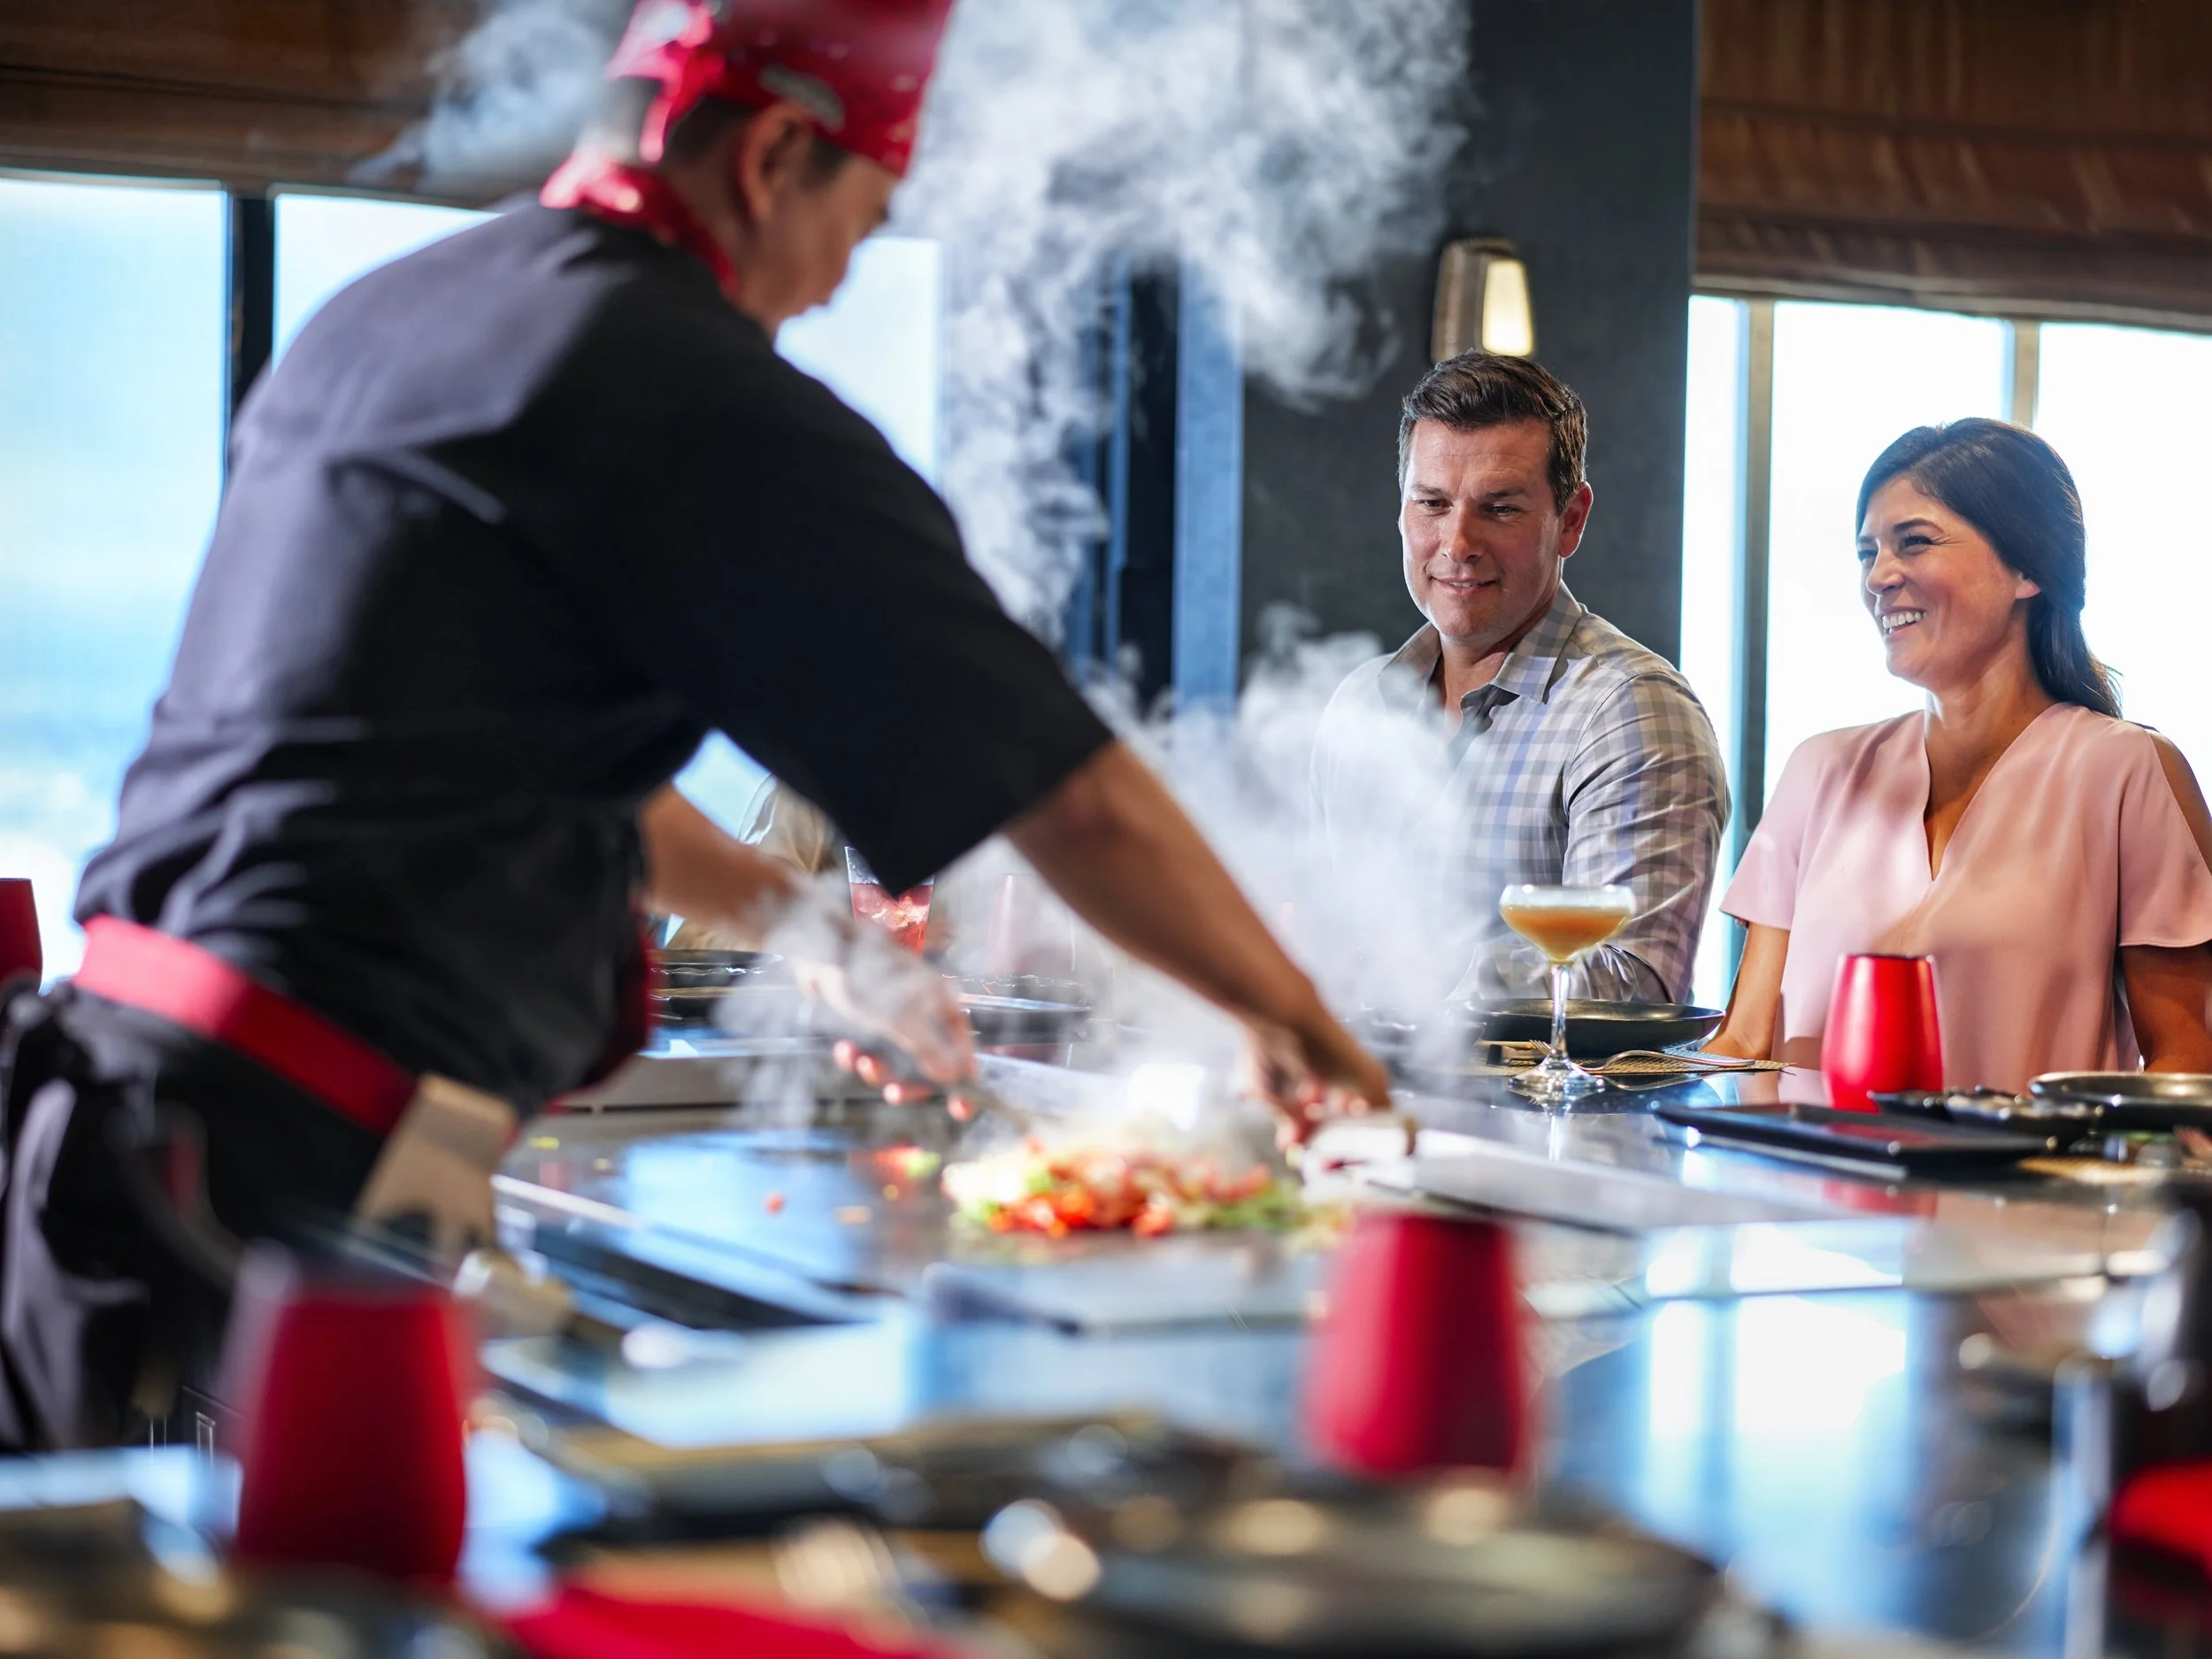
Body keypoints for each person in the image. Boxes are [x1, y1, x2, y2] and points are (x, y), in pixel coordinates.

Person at [0, 0, 1386, 1449]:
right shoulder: (681, 383)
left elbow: (550, 776)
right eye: (865, 219)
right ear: (779, 151)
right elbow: (1073, 797)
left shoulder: (395, 318)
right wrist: (1292, 1021)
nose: (846, 280)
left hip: (111, 1116)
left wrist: (829, 945)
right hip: (279, 1173)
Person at [1705, 419, 2212, 1088]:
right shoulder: (1821, 768)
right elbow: (1744, 1039)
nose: (1879, 576)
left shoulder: (2126, 770)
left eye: (1914, 543)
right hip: (1804, 1186)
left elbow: (2189, 1057)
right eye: (1868, 552)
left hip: (2028, 1188)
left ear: (2027, 566)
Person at [1311, 351, 1728, 1005]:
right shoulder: (1359, 704)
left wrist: (1412, 985)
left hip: (1557, 1110)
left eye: (1499, 508)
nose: (1456, 543)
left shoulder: (1628, 709)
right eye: (1432, 503)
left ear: (1571, 520)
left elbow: (1633, 978)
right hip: (1368, 1103)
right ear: (1401, 512)